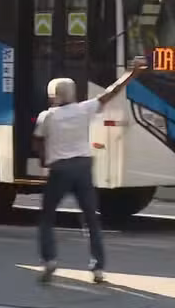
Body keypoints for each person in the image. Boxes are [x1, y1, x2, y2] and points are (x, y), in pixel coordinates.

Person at [33, 61, 147, 284]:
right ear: (73, 93)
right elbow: (111, 92)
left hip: (60, 170)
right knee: (91, 219)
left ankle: (50, 261)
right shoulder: (84, 109)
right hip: (83, 168)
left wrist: (44, 161)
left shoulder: (47, 116)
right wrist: (131, 74)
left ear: (53, 95)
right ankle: (98, 269)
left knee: (47, 217)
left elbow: (37, 142)